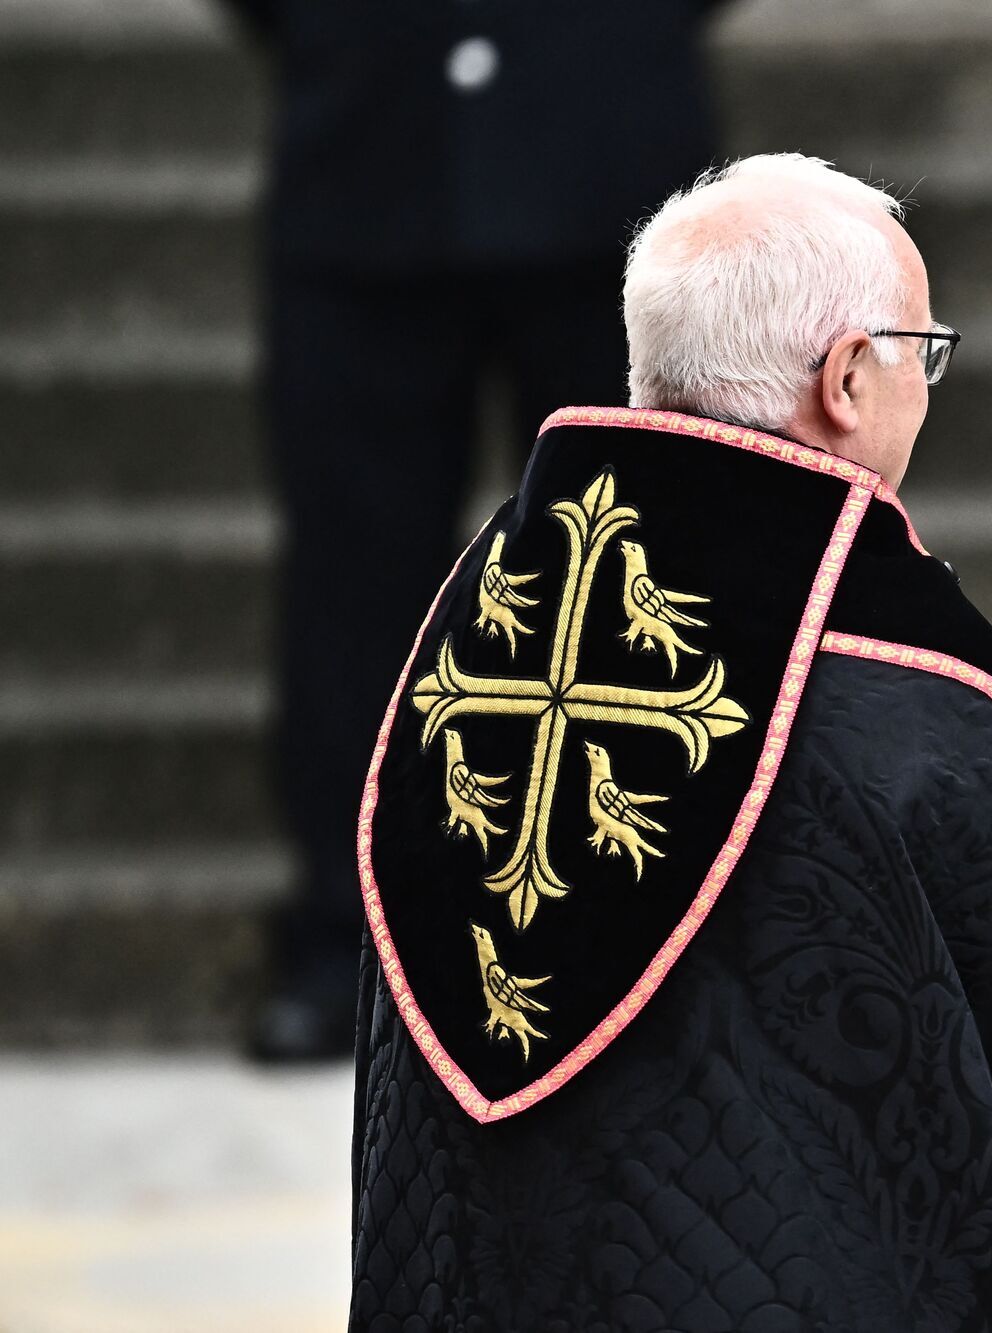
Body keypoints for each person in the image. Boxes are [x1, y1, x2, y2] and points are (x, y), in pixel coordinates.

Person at [348, 155, 992, 1332]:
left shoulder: (467, 652)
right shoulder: (920, 704)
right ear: (844, 377)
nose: (925, 387)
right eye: (921, 353)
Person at [215, 0, 733, 1060]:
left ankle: (642, 943)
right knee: (353, 590)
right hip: (368, 145)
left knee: (634, 580)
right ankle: (351, 943)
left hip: (606, 148)